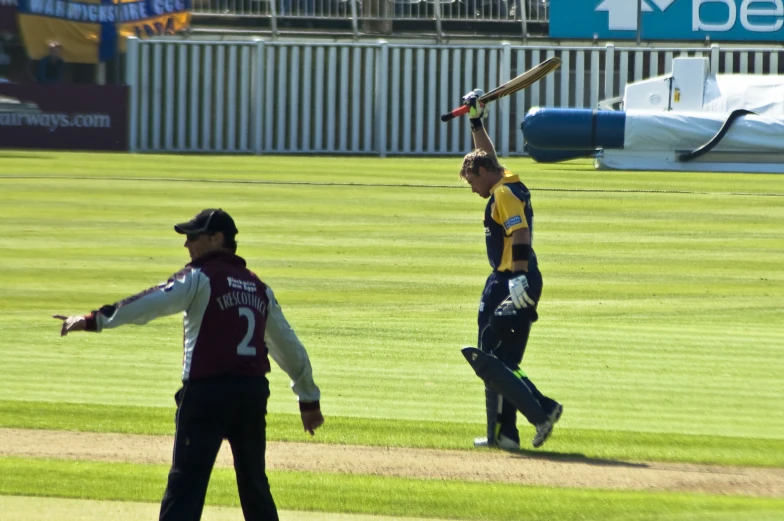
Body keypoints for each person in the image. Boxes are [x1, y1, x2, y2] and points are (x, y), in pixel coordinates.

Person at [54, 208, 324, 521]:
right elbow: (288, 346)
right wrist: (308, 399)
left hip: (207, 393)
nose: (187, 245)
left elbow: (151, 302)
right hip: (251, 394)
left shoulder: (199, 277)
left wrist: (92, 320)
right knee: (254, 484)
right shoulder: (258, 287)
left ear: (217, 239)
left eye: (193, 237)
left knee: (186, 482)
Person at [459, 90, 562, 451]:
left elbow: (520, 233)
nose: (474, 190)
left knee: (490, 355)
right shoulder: (505, 181)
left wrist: (516, 277)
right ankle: (504, 435)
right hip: (519, 277)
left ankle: (542, 411)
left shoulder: (502, 194)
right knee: (504, 362)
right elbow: (487, 156)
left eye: (473, 182)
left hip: (510, 279)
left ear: (484, 174)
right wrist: (476, 121)